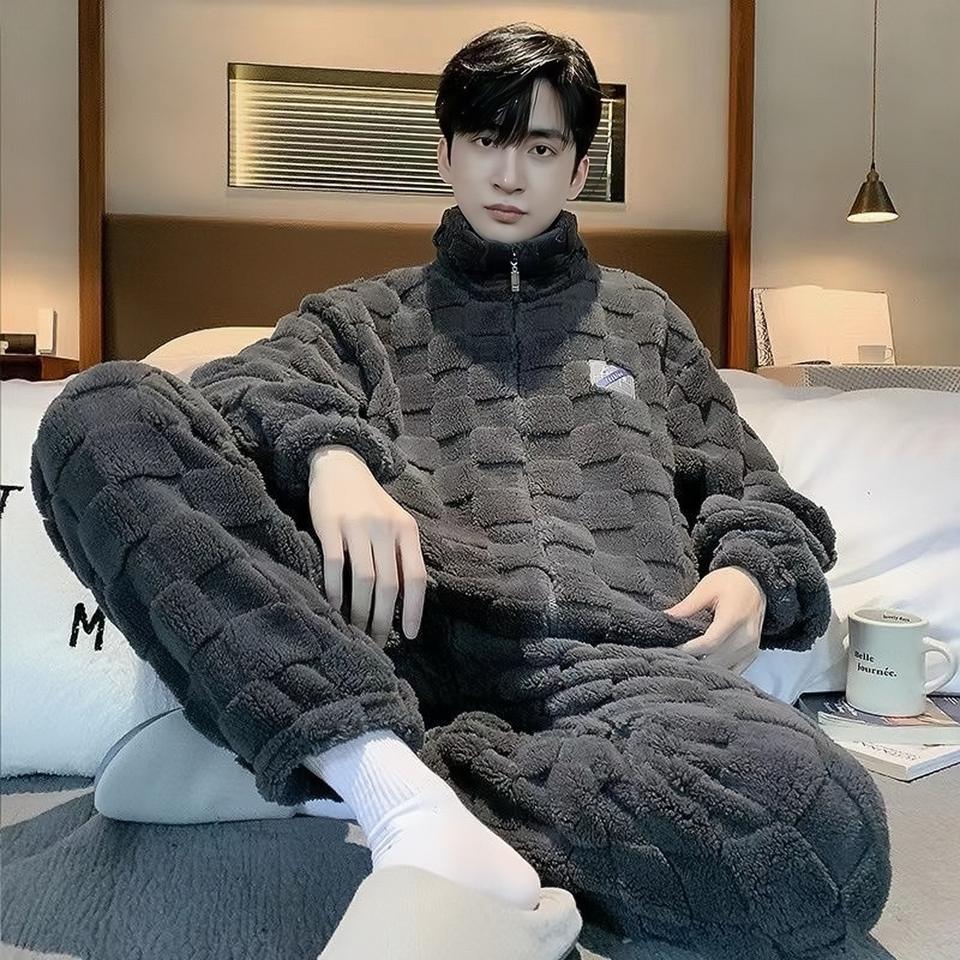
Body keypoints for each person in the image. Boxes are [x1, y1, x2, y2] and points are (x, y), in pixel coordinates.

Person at [31, 22, 890, 960]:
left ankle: (354, 778)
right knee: (100, 412)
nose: (509, 174)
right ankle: (373, 768)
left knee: (828, 835)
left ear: (577, 168)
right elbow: (239, 386)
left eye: (541, 147)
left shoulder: (646, 321)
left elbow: (755, 487)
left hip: (625, 672)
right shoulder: (363, 315)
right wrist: (331, 456)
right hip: (402, 645)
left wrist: (756, 571)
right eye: (486, 140)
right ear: (446, 154)